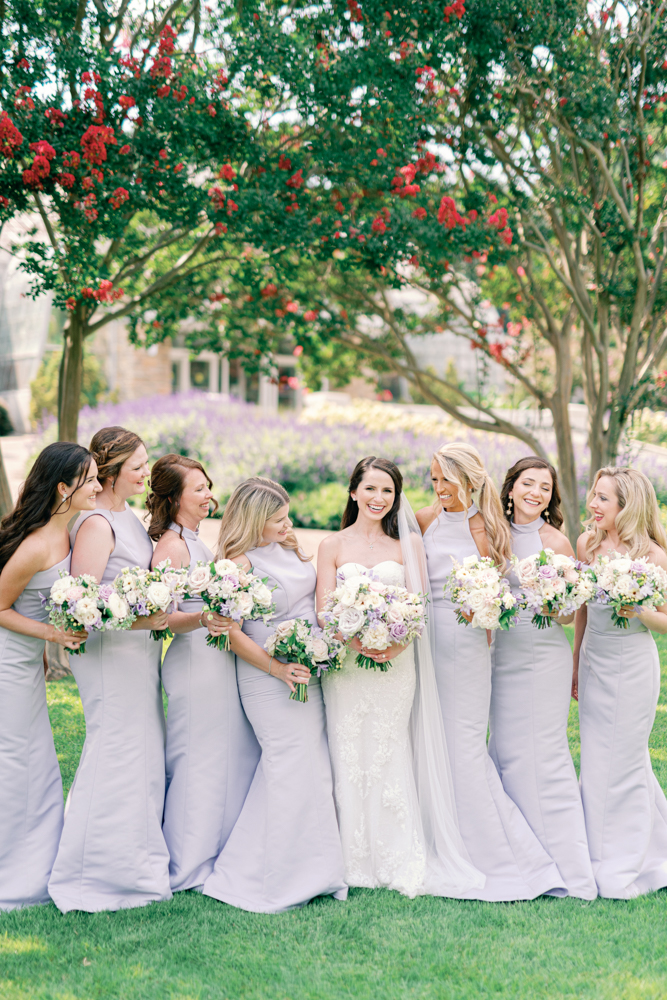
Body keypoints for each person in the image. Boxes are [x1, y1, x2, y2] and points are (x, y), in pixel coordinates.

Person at [317, 456, 484, 899]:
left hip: (397, 661)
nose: (378, 498)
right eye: (370, 489)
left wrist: (393, 643)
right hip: (347, 668)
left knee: (389, 750)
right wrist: (353, 640)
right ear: (353, 492)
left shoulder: (408, 543)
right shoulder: (331, 545)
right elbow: (323, 608)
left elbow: (420, 607)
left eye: (387, 491)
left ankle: (394, 853)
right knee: (348, 752)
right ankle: (350, 857)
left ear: (397, 498)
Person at [416, 442, 564, 900]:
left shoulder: (488, 529)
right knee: (428, 737)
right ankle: (430, 835)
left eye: (447, 479)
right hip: (423, 641)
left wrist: (485, 610)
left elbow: (502, 591)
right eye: (434, 478)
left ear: (472, 481)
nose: (439, 488)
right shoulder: (423, 520)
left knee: (463, 744)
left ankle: (492, 852)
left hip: (466, 645)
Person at [202, 477, 347, 912]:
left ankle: (313, 868)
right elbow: (231, 634)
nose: (288, 525)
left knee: (311, 768)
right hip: (267, 677)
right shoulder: (238, 566)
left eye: (287, 516)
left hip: (307, 670)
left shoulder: (287, 548)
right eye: (278, 519)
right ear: (254, 520)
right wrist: (278, 668)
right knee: (289, 766)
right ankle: (277, 878)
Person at [48, 427, 172, 913]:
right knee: (115, 748)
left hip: (137, 652)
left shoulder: (129, 519)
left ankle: (133, 862)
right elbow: (80, 604)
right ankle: (90, 871)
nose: (146, 472)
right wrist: (143, 617)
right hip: (109, 654)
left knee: (139, 752)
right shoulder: (99, 524)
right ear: (114, 468)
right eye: (139, 465)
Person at [147, 455, 259, 893]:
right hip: (193, 660)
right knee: (195, 759)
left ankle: (214, 849)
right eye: (199, 489)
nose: (210, 495)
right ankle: (186, 861)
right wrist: (206, 618)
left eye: (208, 486)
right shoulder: (172, 547)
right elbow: (162, 618)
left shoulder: (196, 541)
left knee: (218, 758)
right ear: (174, 498)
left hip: (213, 657)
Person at [489, 457, 596, 899]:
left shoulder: (558, 542)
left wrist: (551, 602)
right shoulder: (491, 534)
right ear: (510, 488)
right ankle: (515, 850)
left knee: (545, 751)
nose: (536, 492)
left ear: (551, 497)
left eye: (545, 487)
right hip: (501, 656)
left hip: (545, 656)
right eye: (527, 483)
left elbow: (570, 615)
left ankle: (567, 862)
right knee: (506, 749)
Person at [0, 443, 96, 910]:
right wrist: (52, 634)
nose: (97, 485)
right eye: (90, 478)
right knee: (17, 763)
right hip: (7, 665)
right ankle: (12, 873)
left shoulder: (71, 532)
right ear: (63, 487)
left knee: (38, 761)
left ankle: (36, 864)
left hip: (26, 666)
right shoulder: (36, 544)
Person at [574, 466, 667, 898]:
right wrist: (575, 664)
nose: (593, 505)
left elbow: (664, 621)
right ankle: (595, 850)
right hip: (595, 660)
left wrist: (638, 609)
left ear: (626, 506)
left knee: (627, 759)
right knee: (595, 759)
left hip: (633, 664)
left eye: (603, 499)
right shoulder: (586, 545)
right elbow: (581, 611)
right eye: (594, 495)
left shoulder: (652, 555)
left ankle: (628, 858)